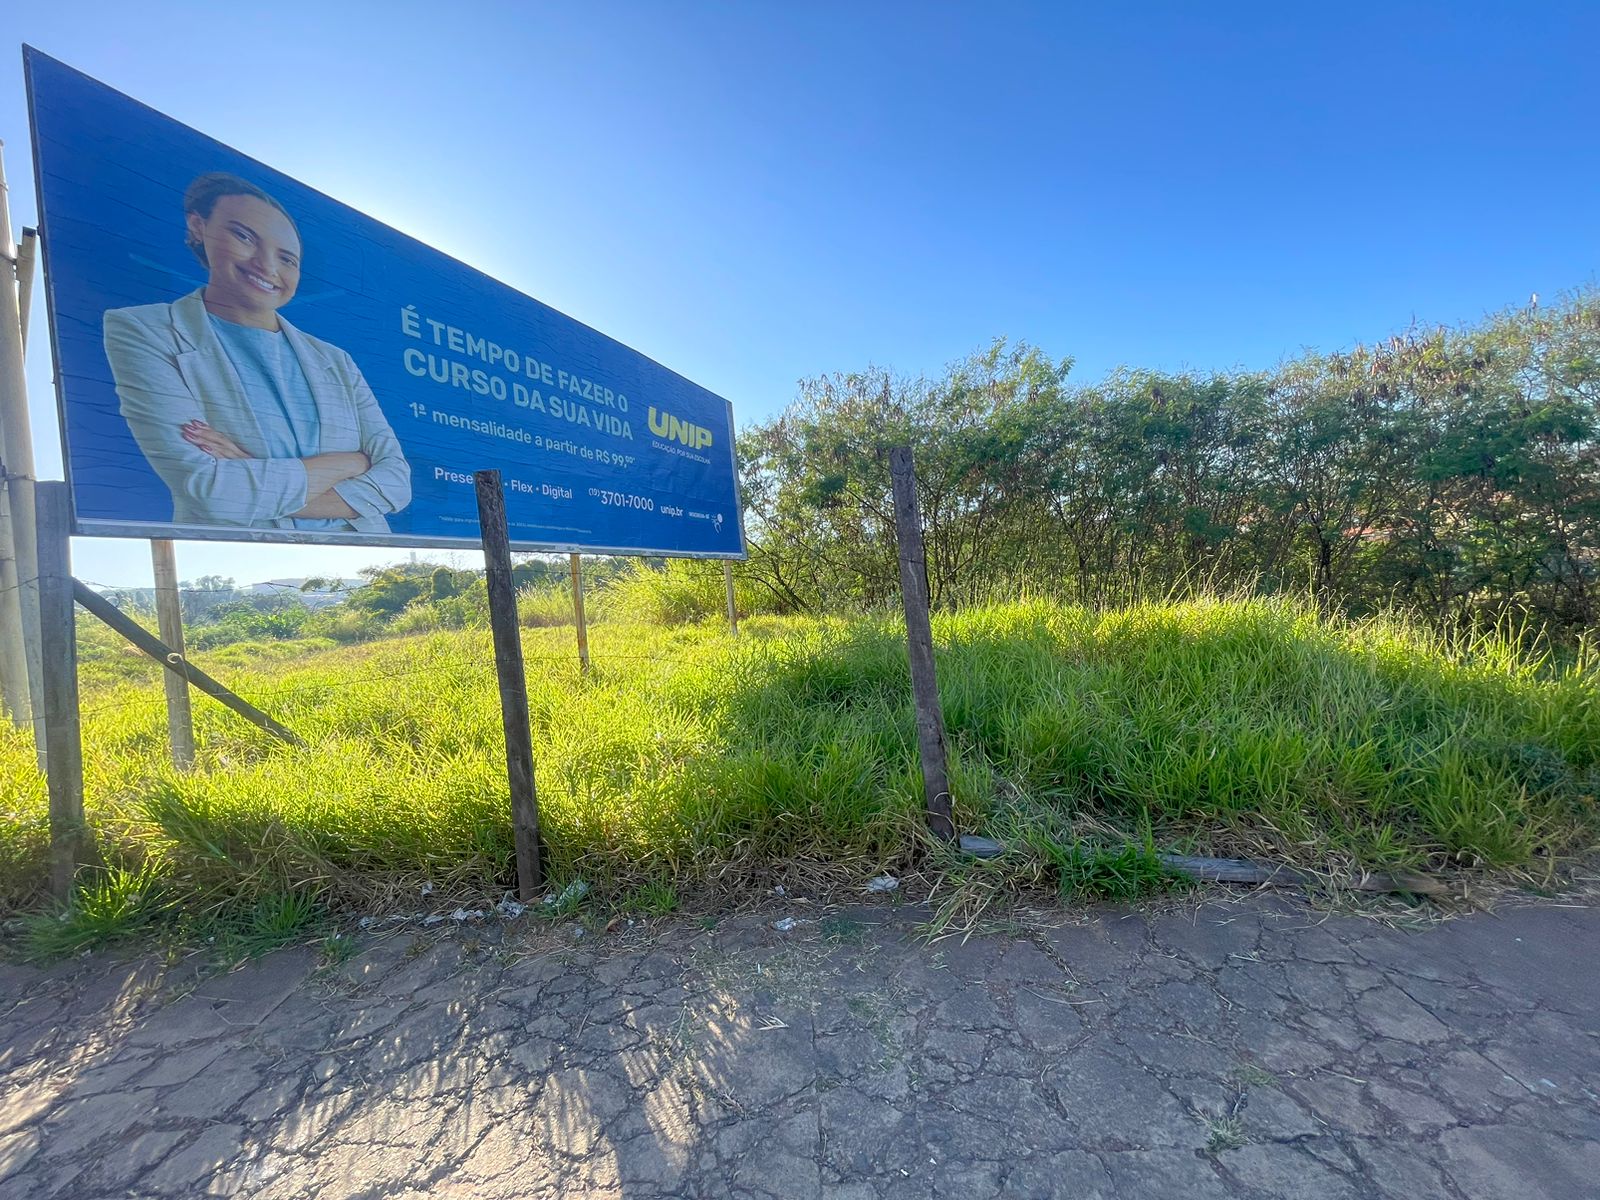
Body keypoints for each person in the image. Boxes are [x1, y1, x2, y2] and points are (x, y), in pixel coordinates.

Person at [103, 172, 410, 532]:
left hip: (363, 551)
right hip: (242, 555)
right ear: (198, 226)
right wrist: (351, 463)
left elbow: (398, 483)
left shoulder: (336, 360)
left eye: (287, 259)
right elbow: (214, 493)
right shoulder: (144, 330)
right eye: (244, 236)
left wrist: (254, 469)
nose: (267, 266)